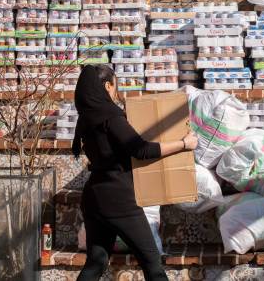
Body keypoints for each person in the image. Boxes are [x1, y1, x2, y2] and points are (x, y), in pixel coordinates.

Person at [72, 65, 197, 281]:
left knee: (95, 264)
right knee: (153, 265)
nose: (116, 90)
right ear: (107, 85)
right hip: (119, 200)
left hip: (93, 198)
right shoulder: (110, 115)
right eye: (115, 85)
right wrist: (184, 144)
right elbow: (142, 150)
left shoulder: (86, 118)